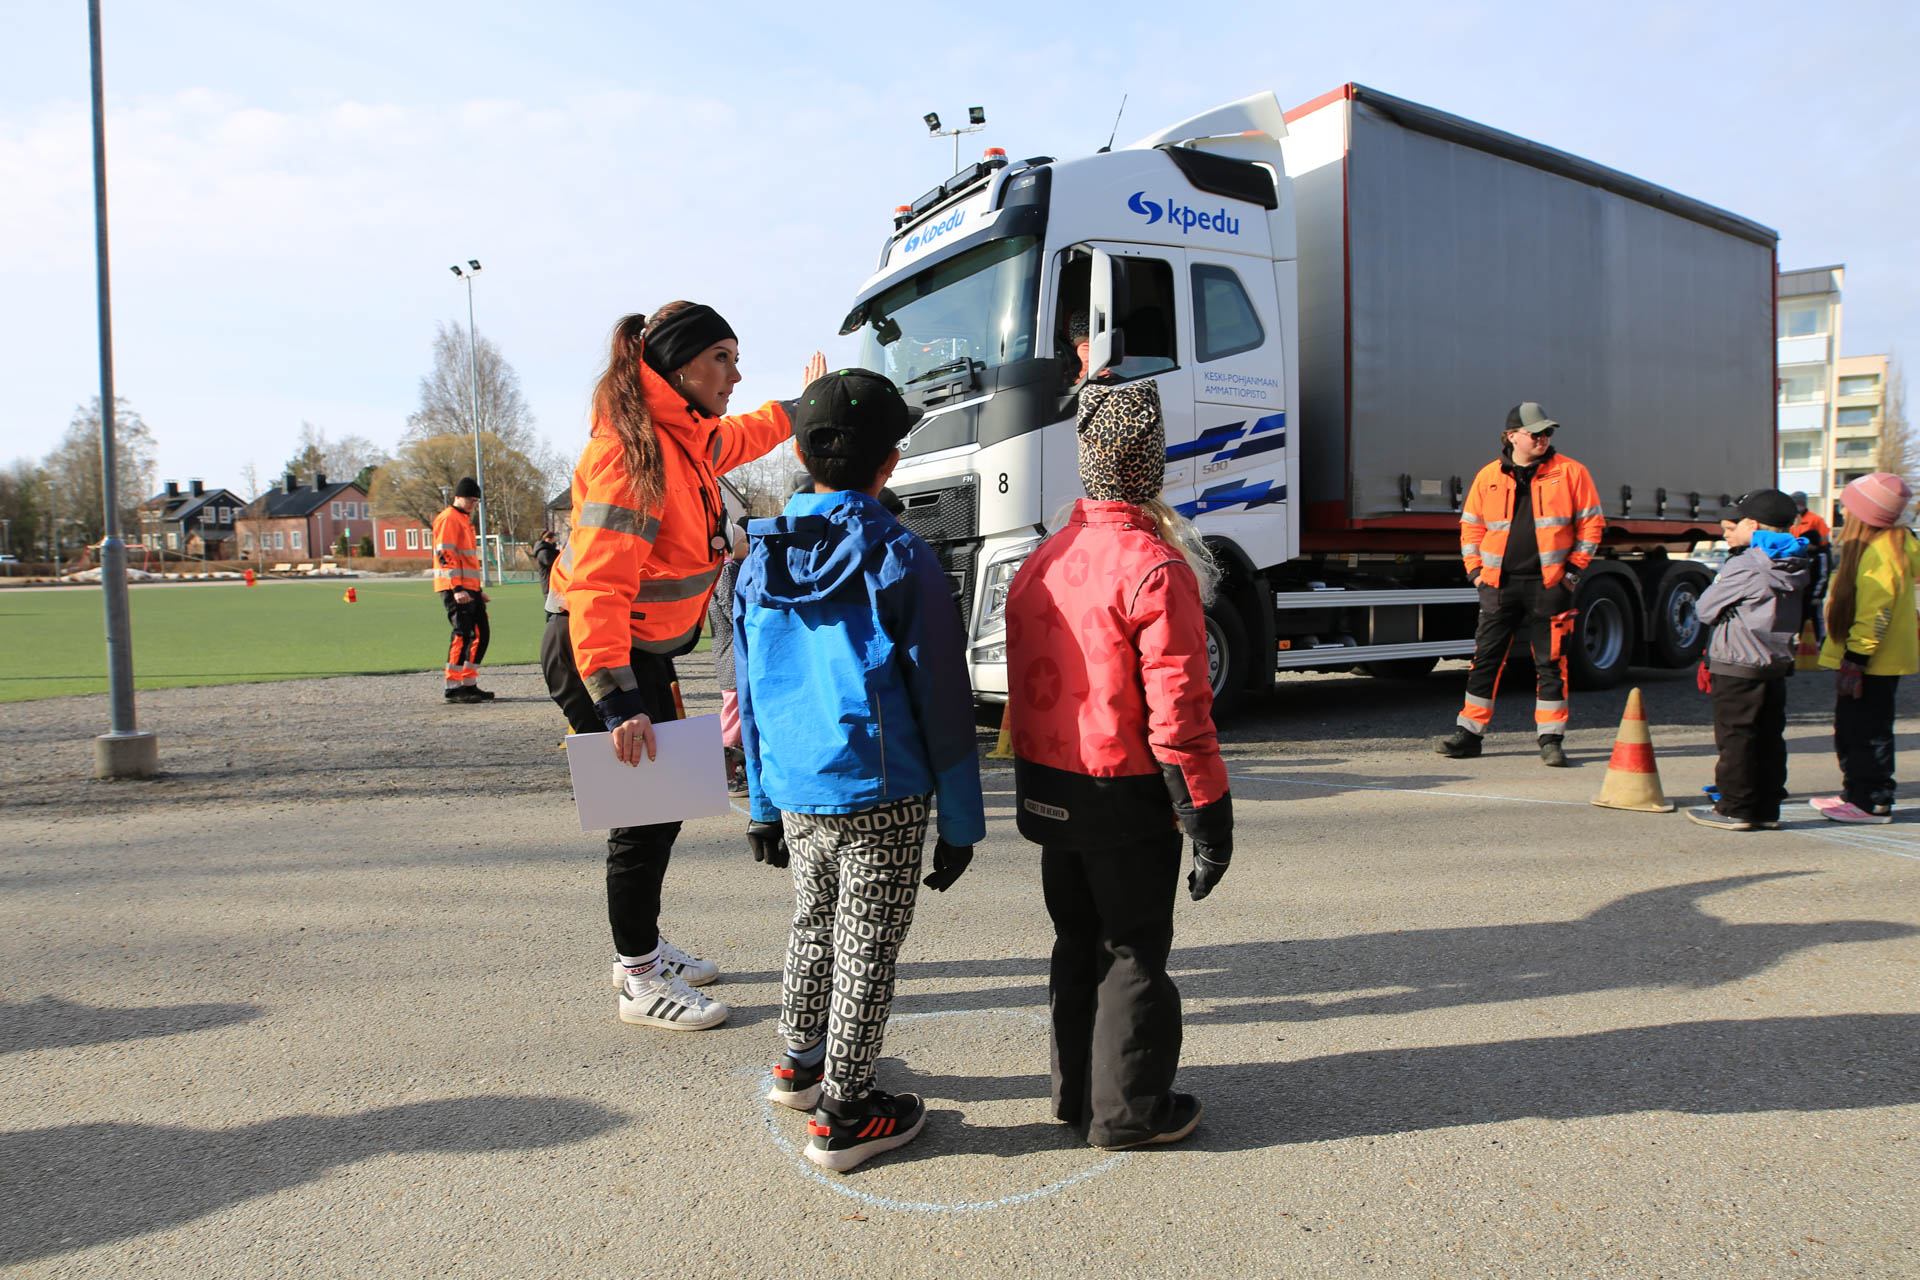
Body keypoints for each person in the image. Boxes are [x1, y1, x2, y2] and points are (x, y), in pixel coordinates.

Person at [542, 302, 825, 1032]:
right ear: (678, 367)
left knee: (665, 805)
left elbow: (743, 434)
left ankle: (641, 949)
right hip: (600, 656)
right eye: (722, 359)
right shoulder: (630, 454)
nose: (736, 374)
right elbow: (598, 588)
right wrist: (615, 700)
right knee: (643, 813)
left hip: (640, 652)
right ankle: (639, 976)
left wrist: (799, 408)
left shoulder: (683, 437)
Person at [736, 368, 985, 1173]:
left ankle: (798, 1063)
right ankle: (846, 1112)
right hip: (884, 784)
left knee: (813, 921)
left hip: (802, 782)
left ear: (805, 455)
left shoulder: (758, 560)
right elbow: (941, 696)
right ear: (890, 462)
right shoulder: (900, 554)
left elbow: (748, 689)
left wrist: (764, 806)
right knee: (868, 942)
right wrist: (962, 821)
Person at [1006, 379, 1231, 1151]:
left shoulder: (1044, 558)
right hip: (1124, 789)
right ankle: (1130, 1111)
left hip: (1048, 785)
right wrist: (1208, 816)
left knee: (1077, 940)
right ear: (1153, 465)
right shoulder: (1154, 568)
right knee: (1134, 944)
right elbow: (1179, 715)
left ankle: (1078, 1096)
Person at [1436, 402, 1604, 767]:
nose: (1544, 438)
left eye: (1547, 433)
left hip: (1550, 585)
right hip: (1499, 585)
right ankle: (1469, 734)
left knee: (1550, 662)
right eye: (1536, 433)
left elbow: (1591, 526)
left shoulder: (1571, 472)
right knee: (1485, 660)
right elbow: (1471, 527)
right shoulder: (1488, 476)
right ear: (1512, 436)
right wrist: (1476, 573)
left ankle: (1551, 738)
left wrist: (1572, 574)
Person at [1686, 489, 1810, 831]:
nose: (1728, 531)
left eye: (1733, 524)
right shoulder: (1796, 560)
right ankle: (1767, 807)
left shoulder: (1747, 564)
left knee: (1736, 736)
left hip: (1738, 662)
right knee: (1769, 736)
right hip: (1774, 661)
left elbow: (1705, 609)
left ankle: (1735, 807)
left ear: (1753, 524)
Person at [1810, 473, 1920, 824]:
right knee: (1855, 730)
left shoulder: (1879, 551)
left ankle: (1872, 801)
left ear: (1866, 513)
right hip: (1877, 661)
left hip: (1871, 662)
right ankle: (1855, 793)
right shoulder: (1899, 543)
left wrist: (1856, 659)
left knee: (1866, 733)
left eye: (1848, 505)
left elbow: (1876, 612)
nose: (1843, 510)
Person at [433, 477, 493, 704]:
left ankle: (468, 683)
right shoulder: (449, 518)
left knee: (480, 635)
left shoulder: (464, 520)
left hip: (468, 588)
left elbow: (466, 560)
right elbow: (445, 554)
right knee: (463, 633)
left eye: (475, 501)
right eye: (470, 500)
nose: (472, 504)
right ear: (458, 496)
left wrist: (477, 590)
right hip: (455, 587)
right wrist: (456, 587)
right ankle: (453, 685)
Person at [706, 516, 750, 796]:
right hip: (734, 654)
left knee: (736, 711)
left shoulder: (722, 569)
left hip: (730, 652)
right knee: (734, 714)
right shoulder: (728, 570)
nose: (749, 546)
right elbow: (735, 610)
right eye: (745, 542)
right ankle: (724, 771)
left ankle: (732, 767)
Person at [1790, 491, 1832, 642]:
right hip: (1801, 556)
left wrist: (1819, 550)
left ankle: (1818, 642)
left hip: (1814, 554)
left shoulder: (1815, 519)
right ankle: (1803, 642)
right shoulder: (1792, 519)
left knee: (1814, 616)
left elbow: (1824, 539)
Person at [532, 529, 560, 596]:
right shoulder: (543, 552)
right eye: (553, 541)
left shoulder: (549, 551)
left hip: (553, 583)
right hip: (548, 583)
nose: (555, 544)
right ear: (548, 540)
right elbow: (551, 563)